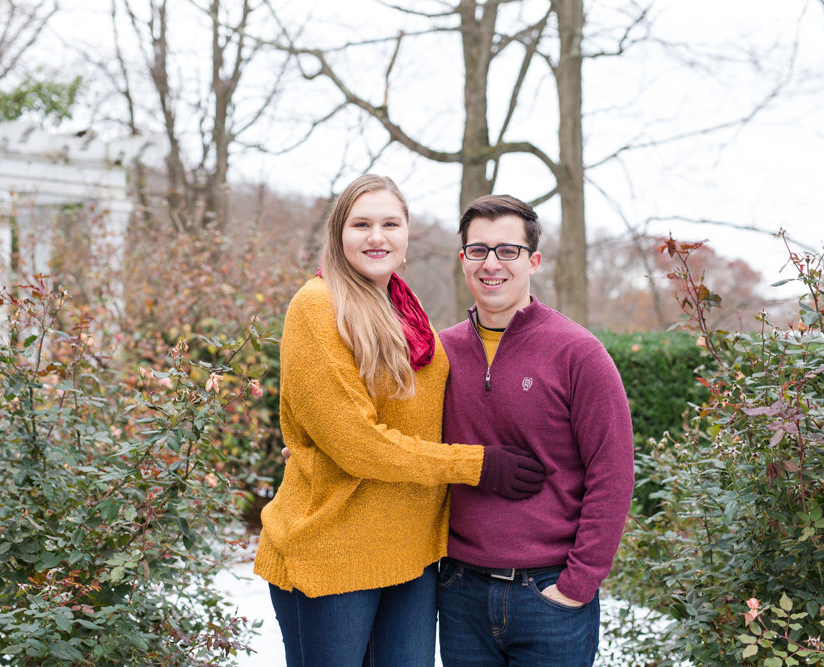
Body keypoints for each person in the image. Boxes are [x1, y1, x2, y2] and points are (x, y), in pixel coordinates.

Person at [252, 175, 545, 667]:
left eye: (390, 223)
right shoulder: (317, 306)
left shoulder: (409, 314)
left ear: (407, 235)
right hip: (335, 548)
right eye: (361, 224)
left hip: (413, 552)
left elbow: (435, 414)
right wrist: (477, 464)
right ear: (338, 234)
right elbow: (357, 443)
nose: (376, 236)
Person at [436, 194, 635, 666]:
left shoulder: (578, 353)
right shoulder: (438, 353)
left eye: (508, 250)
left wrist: (578, 583)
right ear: (463, 259)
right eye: (478, 250)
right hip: (459, 591)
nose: (492, 264)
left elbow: (612, 473)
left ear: (534, 261)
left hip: (549, 595)